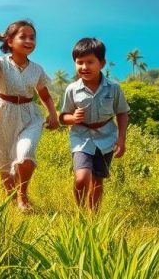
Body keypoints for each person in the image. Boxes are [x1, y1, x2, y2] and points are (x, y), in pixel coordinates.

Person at [0, 20, 58, 211]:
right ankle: (11, 200)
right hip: (2, 113)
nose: (29, 41)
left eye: (32, 37)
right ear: (10, 41)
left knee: (25, 154)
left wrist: (53, 115)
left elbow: (44, 95)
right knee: (4, 160)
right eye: (23, 37)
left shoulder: (37, 69)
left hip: (29, 116)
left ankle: (23, 196)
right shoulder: (0, 64)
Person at [59, 37, 129, 211]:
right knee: (82, 178)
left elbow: (122, 113)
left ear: (102, 63)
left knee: (98, 180)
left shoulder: (113, 88)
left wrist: (121, 139)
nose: (84, 67)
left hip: (106, 138)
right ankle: (81, 213)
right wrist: (73, 118)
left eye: (90, 62)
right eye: (79, 62)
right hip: (81, 137)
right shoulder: (72, 89)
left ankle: (94, 216)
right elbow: (63, 117)